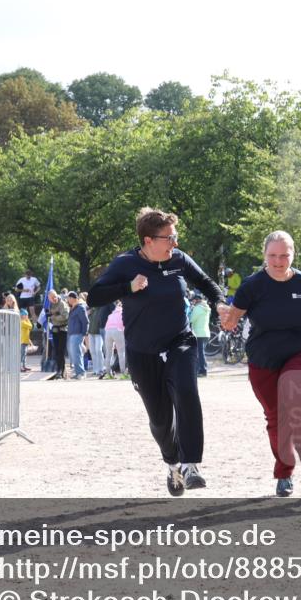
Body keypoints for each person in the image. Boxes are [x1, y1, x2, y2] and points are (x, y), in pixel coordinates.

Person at [88, 207, 229, 496]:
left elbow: (205, 283)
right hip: (142, 352)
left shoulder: (178, 260)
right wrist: (128, 286)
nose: (174, 243)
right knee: (160, 419)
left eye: (175, 236)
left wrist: (220, 302)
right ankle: (173, 463)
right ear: (148, 240)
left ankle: (191, 465)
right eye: (169, 238)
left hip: (180, 341)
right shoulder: (125, 264)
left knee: (187, 393)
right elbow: (95, 296)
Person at [222, 231, 301, 496]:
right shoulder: (252, 286)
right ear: (264, 256)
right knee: (277, 419)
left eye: (284, 255)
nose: (278, 261)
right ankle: (284, 474)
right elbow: (232, 321)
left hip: (298, 353)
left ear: (293, 255)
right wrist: (226, 318)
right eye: (273, 256)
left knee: (298, 397)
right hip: (263, 360)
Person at [46, 289, 69, 380]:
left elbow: (65, 316)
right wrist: (50, 315)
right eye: (51, 298)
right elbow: (52, 316)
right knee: (57, 352)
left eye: (54, 296)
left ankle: (61, 371)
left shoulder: (62, 304)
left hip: (63, 330)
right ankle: (59, 370)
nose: (54, 299)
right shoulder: (51, 305)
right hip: (55, 330)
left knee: (61, 351)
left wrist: (53, 317)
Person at [66, 291, 89, 379]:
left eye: (68, 298)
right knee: (74, 354)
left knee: (77, 354)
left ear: (72, 298)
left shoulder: (80, 308)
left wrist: (84, 333)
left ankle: (81, 373)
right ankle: (78, 372)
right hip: (72, 334)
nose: (67, 300)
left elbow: (86, 321)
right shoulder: (73, 308)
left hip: (78, 334)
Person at [103, 300, 127, 378]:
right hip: (118, 331)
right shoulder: (123, 313)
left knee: (109, 354)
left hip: (108, 331)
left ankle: (108, 374)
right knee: (121, 353)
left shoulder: (111, 314)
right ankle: (123, 374)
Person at [189, 292, 211, 377]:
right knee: (201, 352)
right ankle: (200, 369)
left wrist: (191, 311)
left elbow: (191, 319)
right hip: (206, 333)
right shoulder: (206, 308)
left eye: (194, 300)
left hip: (199, 333)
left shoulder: (197, 308)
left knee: (200, 353)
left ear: (197, 300)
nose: (193, 302)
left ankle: (203, 370)